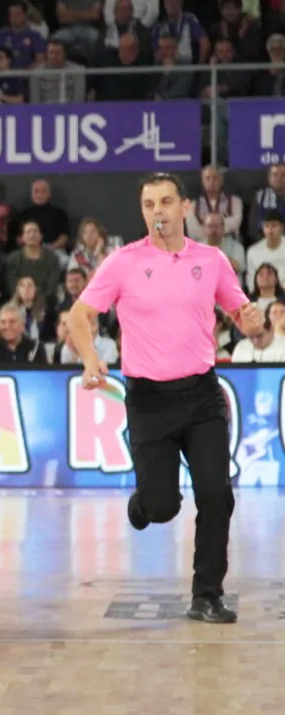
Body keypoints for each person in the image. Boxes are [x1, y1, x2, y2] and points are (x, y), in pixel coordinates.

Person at [70, 172, 263, 624]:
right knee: (162, 507)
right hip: (149, 400)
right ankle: (144, 504)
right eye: (149, 204)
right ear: (143, 212)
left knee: (217, 494)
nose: (158, 211)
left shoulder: (212, 260)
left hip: (202, 397)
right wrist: (88, 359)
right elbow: (80, 315)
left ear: (185, 207)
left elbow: (241, 314)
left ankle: (207, 594)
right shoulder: (123, 262)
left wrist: (251, 322)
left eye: (166, 202)